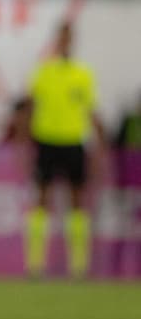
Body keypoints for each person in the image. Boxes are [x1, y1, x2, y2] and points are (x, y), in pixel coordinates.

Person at [24, 21, 105, 279]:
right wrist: (23, 142)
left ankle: (78, 266)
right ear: (56, 40)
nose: (65, 42)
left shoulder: (83, 74)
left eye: (69, 37)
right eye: (62, 37)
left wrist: (101, 141)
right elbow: (30, 107)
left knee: (77, 200)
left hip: (73, 141)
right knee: (41, 199)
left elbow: (91, 110)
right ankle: (35, 265)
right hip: (46, 140)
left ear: (73, 41)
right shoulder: (43, 72)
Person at [111, 92, 141, 276]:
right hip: (129, 183)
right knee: (125, 224)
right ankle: (119, 266)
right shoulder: (129, 121)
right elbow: (117, 147)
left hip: (131, 183)